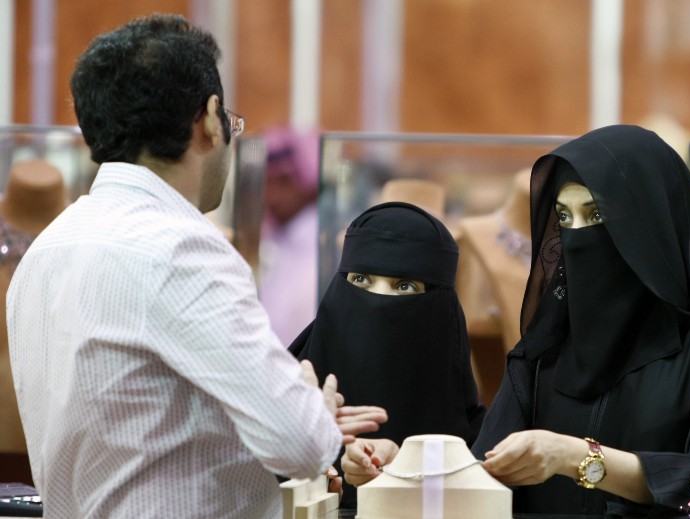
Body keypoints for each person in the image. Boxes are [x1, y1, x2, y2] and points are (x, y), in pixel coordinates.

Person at [6, 14, 385, 519]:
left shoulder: (48, 249)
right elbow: (301, 445)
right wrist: (311, 407)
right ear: (210, 118)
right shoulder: (184, 247)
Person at [342, 125, 690, 517]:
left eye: (597, 214)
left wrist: (579, 458)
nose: (579, 236)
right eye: (565, 218)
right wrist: (396, 463)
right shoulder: (548, 348)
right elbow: (484, 476)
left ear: (651, 223)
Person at [289, 201, 486, 509]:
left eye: (404, 286)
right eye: (361, 280)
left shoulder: (480, 449)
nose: (378, 301)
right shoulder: (287, 409)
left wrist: (406, 468)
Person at [259, 126, 321, 345]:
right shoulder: (274, 240)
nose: (272, 195)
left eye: (284, 181)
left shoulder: (324, 241)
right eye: (266, 181)